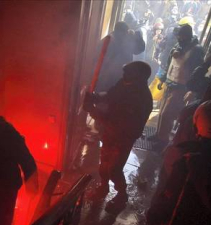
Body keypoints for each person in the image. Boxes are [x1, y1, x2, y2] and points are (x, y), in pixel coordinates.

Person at [84, 61, 153, 209]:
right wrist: (96, 97)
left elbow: (117, 123)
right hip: (111, 133)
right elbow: (110, 95)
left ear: (138, 77)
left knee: (114, 169)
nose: (123, 76)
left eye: (127, 74)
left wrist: (93, 111)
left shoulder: (141, 99)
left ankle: (122, 196)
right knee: (104, 164)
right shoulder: (125, 83)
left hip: (123, 137)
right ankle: (103, 187)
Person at [150, 24, 204, 150]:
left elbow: (198, 71)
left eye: (181, 35)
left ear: (187, 35)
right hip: (170, 83)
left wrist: (192, 89)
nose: (179, 38)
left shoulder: (196, 50)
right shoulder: (177, 46)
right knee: (163, 110)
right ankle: (158, 135)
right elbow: (169, 64)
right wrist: (163, 79)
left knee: (168, 114)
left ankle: (163, 140)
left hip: (181, 87)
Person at [95, 21, 145, 92]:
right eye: (126, 32)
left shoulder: (111, 39)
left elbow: (140, 49)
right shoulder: (119, 41)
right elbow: (140, 49)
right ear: (124, 32)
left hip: (109, 77)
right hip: (112, 77)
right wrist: (137, 35)